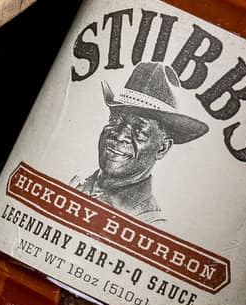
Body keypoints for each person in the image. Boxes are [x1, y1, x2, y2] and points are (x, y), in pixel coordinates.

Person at [73, 60, 208, 225]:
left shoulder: (150, 224)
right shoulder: (77, 184)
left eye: (139, 130)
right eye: (116, 120)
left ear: (162, 148)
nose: (120, 135)